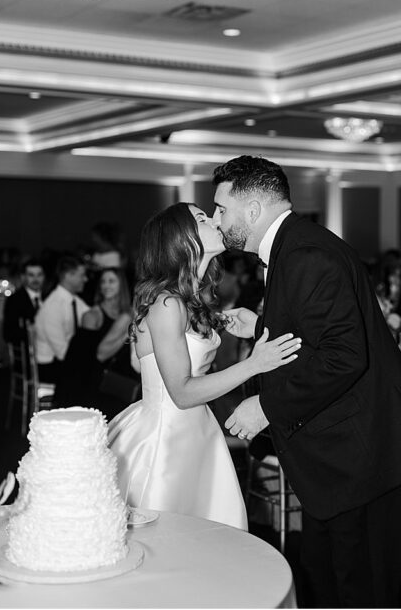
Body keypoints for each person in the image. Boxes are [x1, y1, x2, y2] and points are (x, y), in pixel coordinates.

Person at [214, 155, 401, 608]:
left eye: (222, 208)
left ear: (253, 209)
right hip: (342, 460)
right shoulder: (293, 248)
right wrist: (260, 328)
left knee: (364, 592)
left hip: (366, 457)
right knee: (331, 582)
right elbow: (314, 336)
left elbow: (344, 356)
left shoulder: (305, 254)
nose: (217, 218)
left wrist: (265, 406)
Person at [106, 203, 300, 530]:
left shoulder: (187, 299)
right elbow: (181, 393)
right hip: (166, 439)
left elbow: (140, 364)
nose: (214, 220)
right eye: (201, 218)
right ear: (182, 239)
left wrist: (219, 323)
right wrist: (254, 364)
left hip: (196, 431)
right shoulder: (167, 303)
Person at [54, 268, 132, 409]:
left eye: (111, 281)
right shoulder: (92, 316)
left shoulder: (126, 313)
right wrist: (126, 332)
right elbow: (87, 362)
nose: (106, 285)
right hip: (91, 385)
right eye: (103, 282)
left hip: (117, 379)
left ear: (122, 285)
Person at [33, 255, 88, 384]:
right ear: (68, 276)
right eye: (82, 275)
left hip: (62, 362)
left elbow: (91, 314)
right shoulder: (53, 306)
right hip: (49, 368)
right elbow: (62, 353)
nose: (85, 279)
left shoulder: (74, 300)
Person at [2, 259, 44, 346]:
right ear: (23, 277)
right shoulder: (14, 300)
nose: (36, 279)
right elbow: (8, 334)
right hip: (27, 350)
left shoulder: (49, 297)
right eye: (31, 275)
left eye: (39, 275)